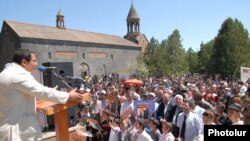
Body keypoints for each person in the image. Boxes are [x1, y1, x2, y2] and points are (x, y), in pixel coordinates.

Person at [0, 49, 83, 141]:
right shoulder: (17, 74)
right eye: (34, 61)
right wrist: (67, 96)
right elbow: (41, 91)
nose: (36, 64)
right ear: (24, 62)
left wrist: (37, 102)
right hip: (17, 133)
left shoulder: (8, 72)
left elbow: (18, 99)